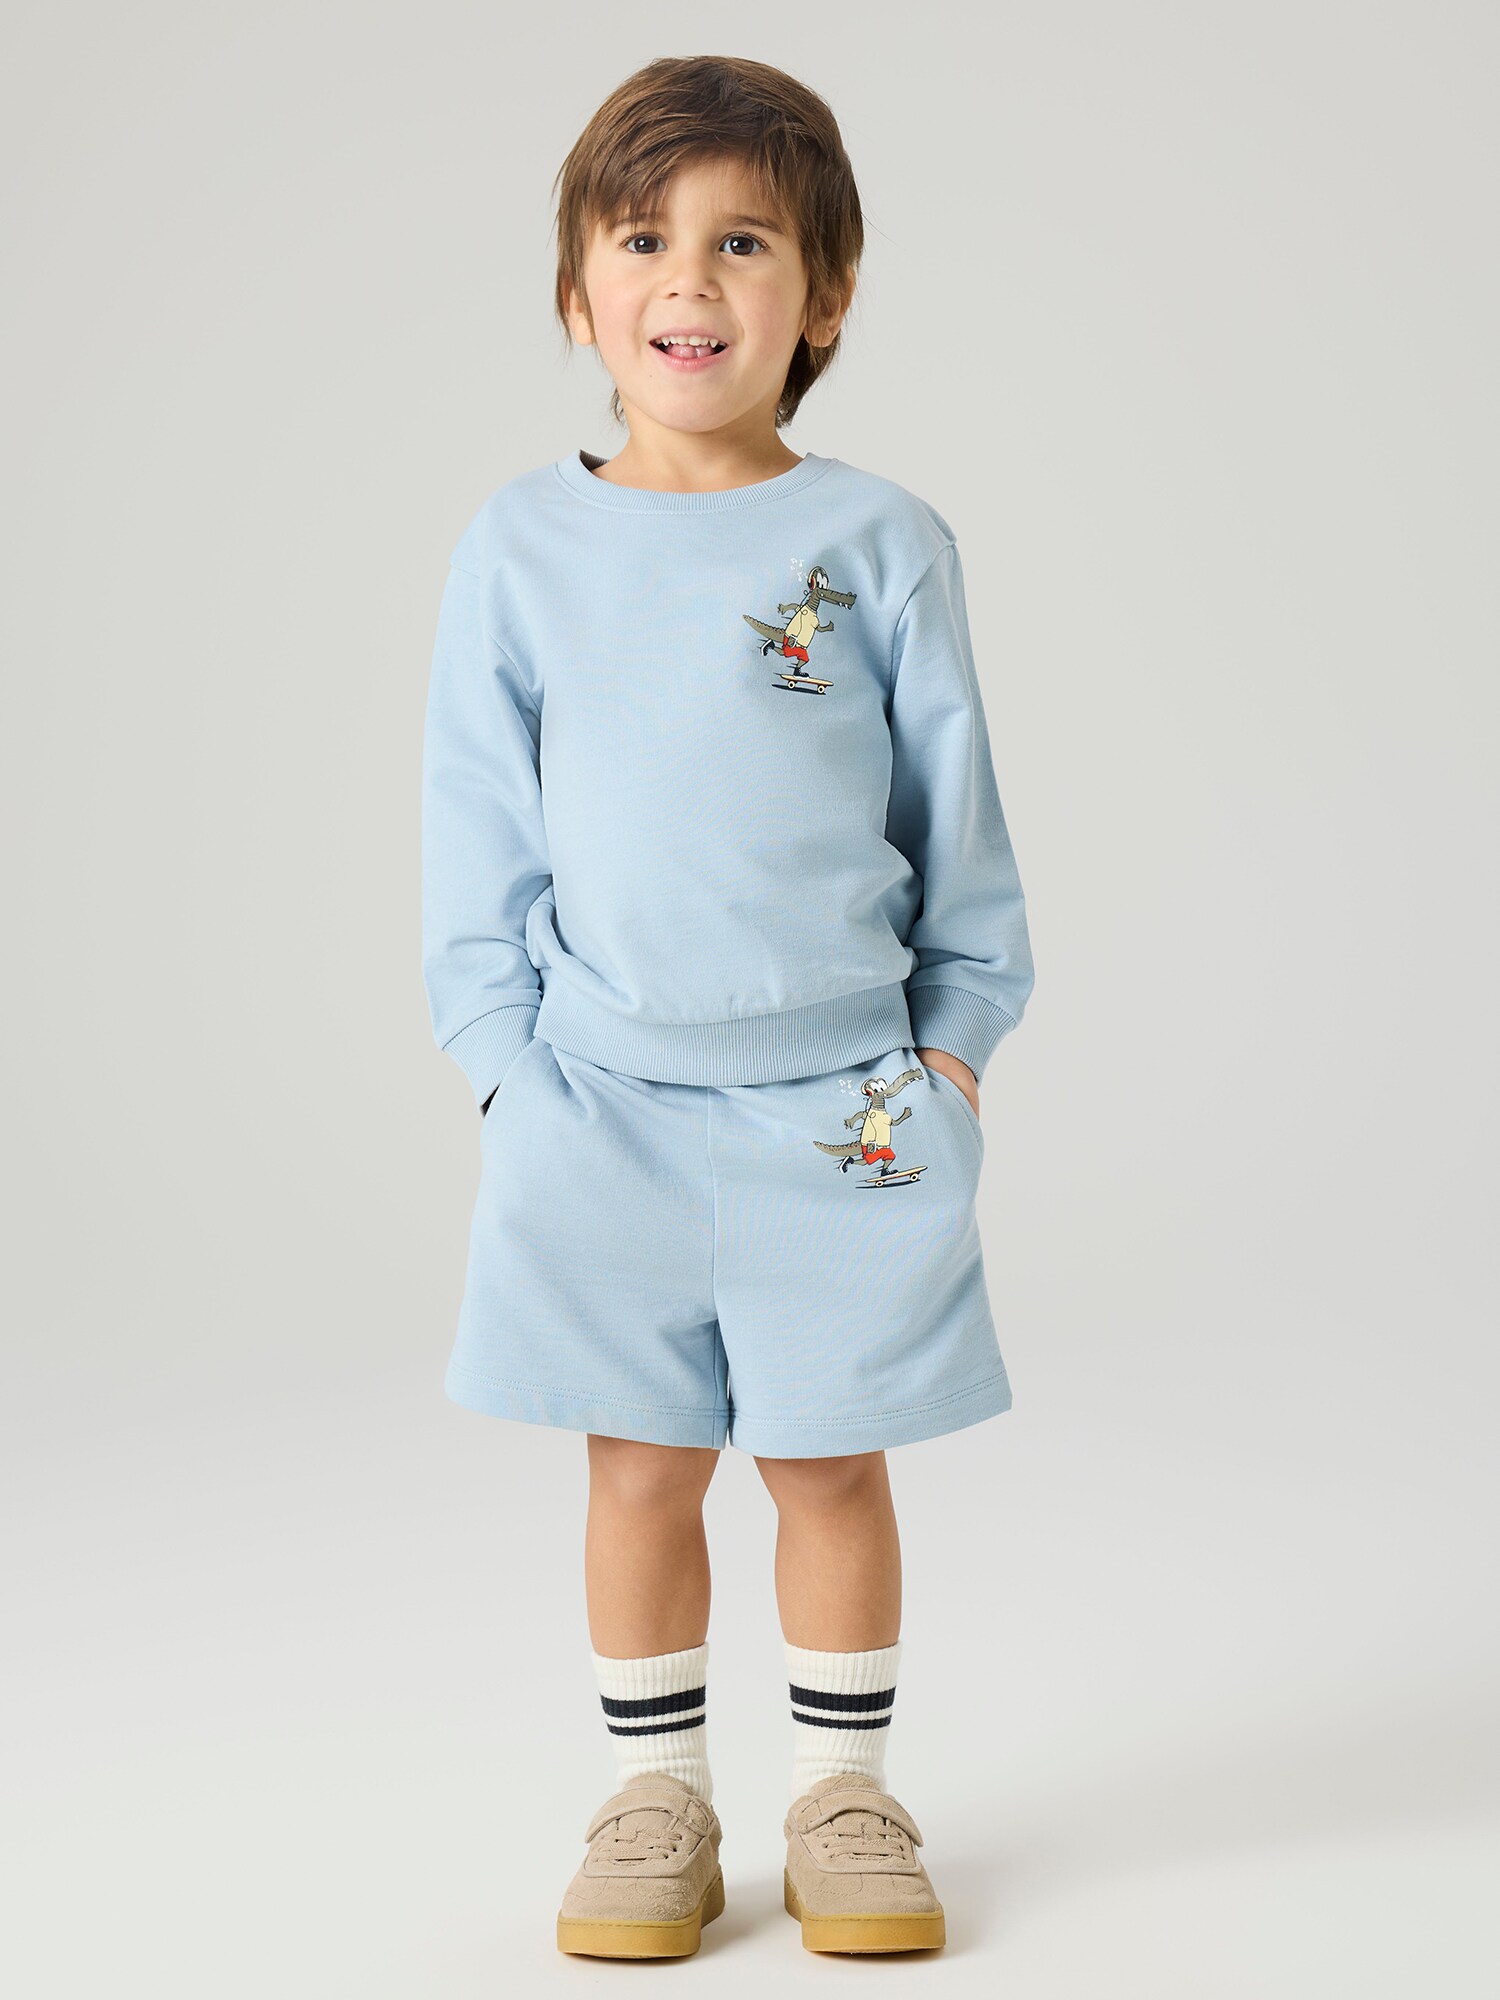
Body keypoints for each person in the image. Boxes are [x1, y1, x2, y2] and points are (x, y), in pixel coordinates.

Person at [420, 53, 1035, 1961]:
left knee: (830, 1459)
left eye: (745, 242)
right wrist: (506, 1075)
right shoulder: (520, 549)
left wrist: (949, 1060)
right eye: (642, 239)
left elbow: (958, 832)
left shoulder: (880, 543)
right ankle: (656, 1798)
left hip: (844, 1104)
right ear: (578, 293)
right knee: (638, 1459)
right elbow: (475, 835)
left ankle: (846, 1794)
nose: (690, 277)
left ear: (823, 299)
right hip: (597, 1099)